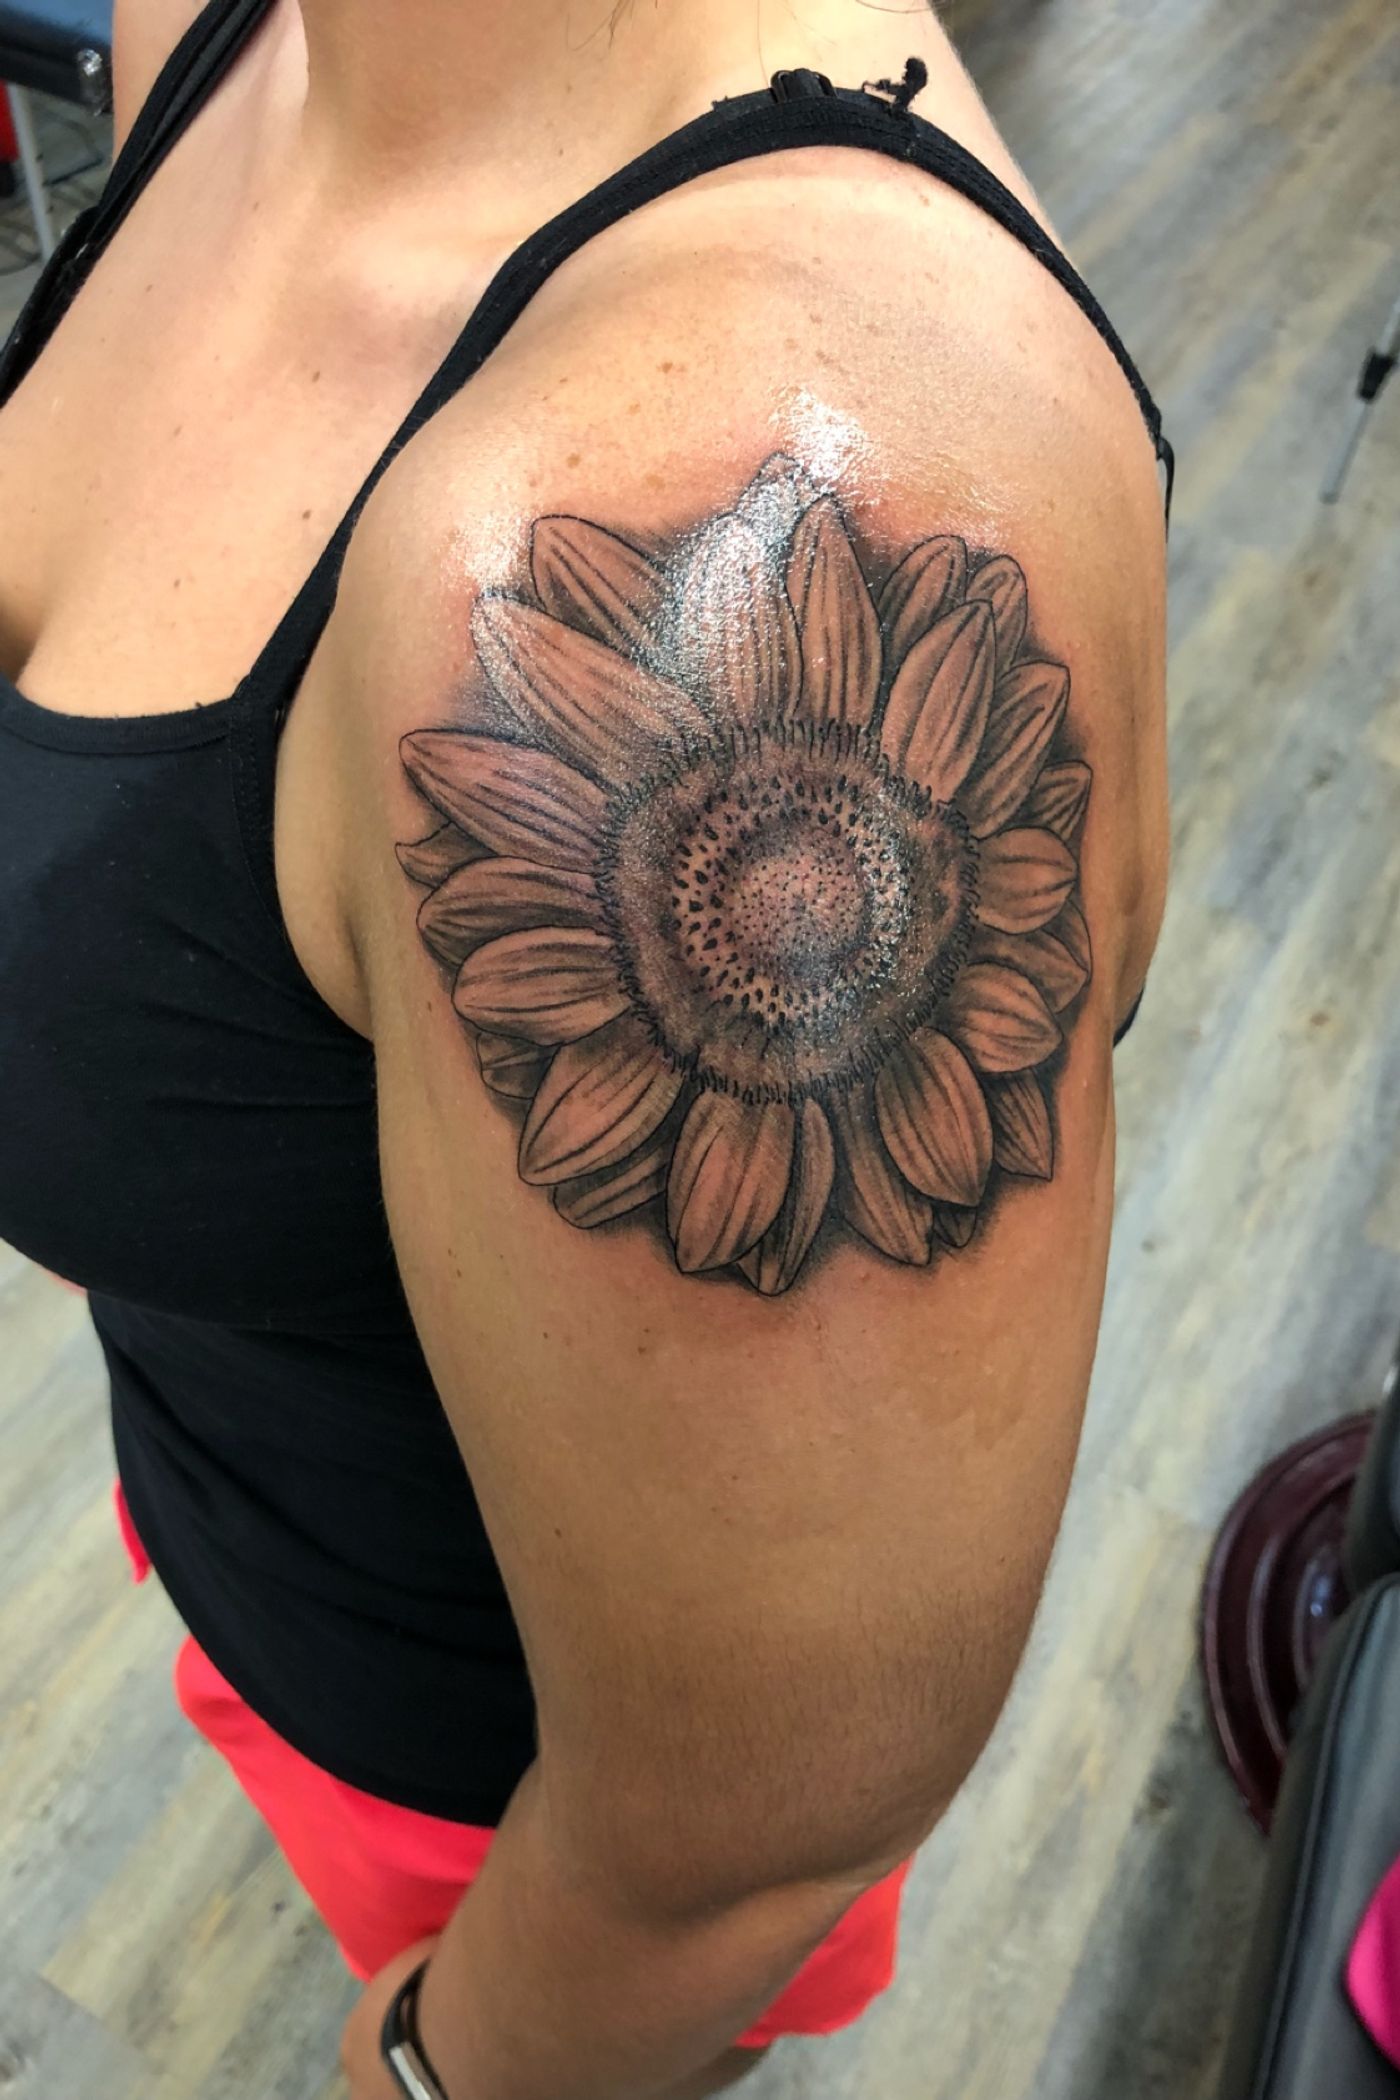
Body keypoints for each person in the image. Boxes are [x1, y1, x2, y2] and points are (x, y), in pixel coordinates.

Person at [0, 1, 1170, 2094]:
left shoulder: (696, 529)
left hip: (492, 1832)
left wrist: (442, 2061)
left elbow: (739, 1840)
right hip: (234, 1499)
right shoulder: (246, 34)